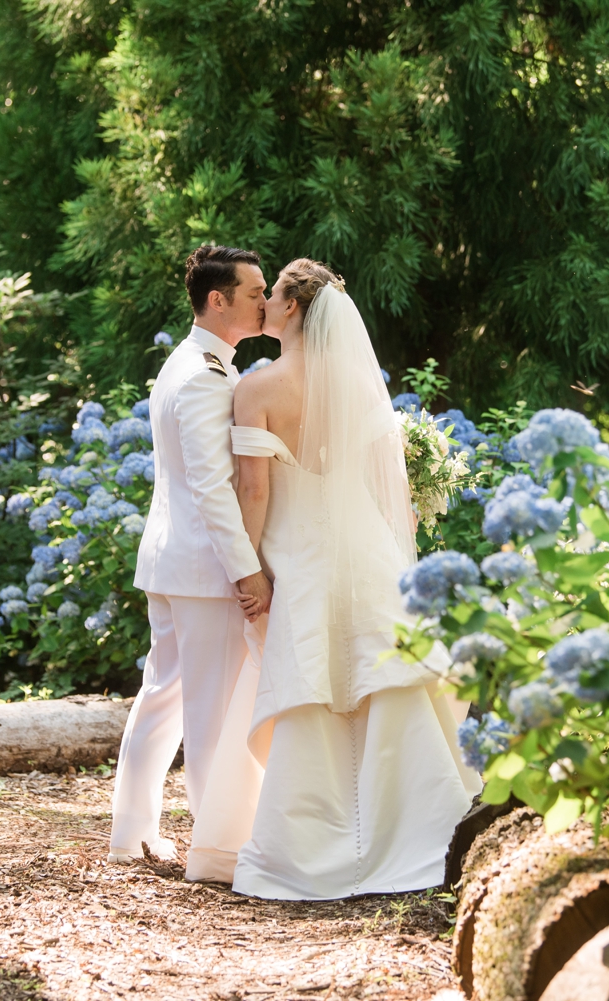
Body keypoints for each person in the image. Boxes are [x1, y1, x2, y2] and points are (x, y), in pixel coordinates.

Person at [188, 258, 477, 899]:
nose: (261, 303)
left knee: (315, 683)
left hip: (301, 551)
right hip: (367, 546)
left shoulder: (257, 389)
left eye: (272, 295)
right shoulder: (355, 380)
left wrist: (252, 566)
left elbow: (255, 491)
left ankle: (314, 845)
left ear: (291, 309)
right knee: (384, 677)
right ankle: (419, 832)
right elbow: (389, 490)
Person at [107, 245, 274, 863]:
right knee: (208, 709)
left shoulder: (190, 361)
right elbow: (211, 487)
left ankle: (131, 834)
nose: (264, 302)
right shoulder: (206, 376)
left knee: (163, 696)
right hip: (204, 569)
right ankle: (216, 844)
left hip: (170, 559)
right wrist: (247, 569)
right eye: (255, 293)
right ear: (217, 299)